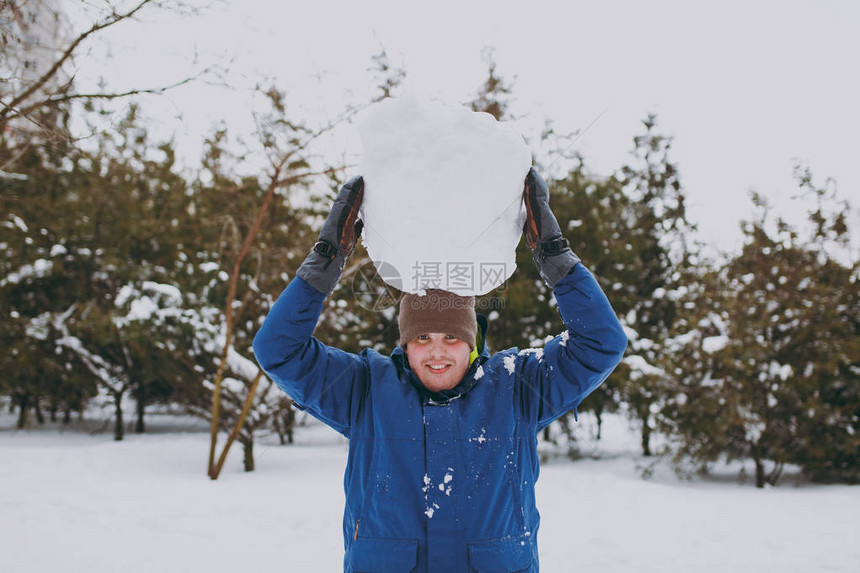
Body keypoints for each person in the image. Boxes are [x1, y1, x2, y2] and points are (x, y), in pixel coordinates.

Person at [253, 168, 627, 572]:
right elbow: (279, 350)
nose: (437, 353)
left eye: (451, 338)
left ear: (471, 342)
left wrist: (554, 256)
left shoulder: (516, 387)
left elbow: (600, 343)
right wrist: (327, 258)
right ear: (404, 342)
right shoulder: (364, 390)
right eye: (422, 338)